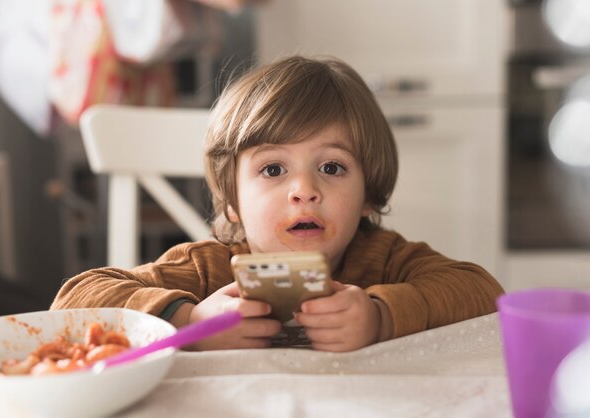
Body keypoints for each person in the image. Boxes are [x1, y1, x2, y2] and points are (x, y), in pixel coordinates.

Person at [51, 55, 504, 352]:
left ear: (369, 195)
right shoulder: (210, 268)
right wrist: (192, 321)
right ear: (232, 202)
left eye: (332, 168)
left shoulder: (384, 260)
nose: (303, 190)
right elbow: (75, 299)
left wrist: (382, 318)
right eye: (273, 170)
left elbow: (484, 293)